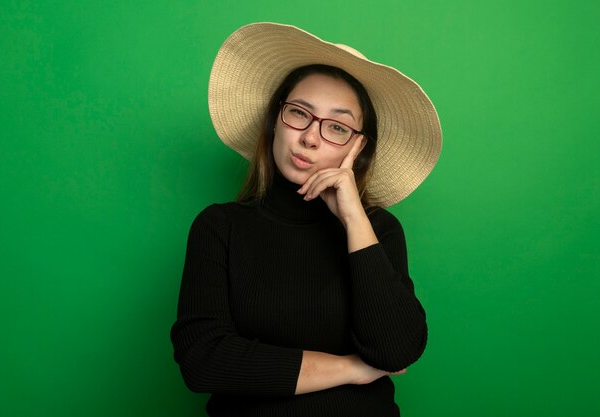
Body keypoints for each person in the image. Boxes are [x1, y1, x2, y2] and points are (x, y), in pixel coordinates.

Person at [170, 22, 442, 417]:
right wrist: (353, 368)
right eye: (299, 113)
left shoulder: (379, 231)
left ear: (358, 148)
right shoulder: (220, 227)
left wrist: (353, 219)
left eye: (337, 127)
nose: (310, 138)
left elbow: (396, 349)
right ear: (275, 121)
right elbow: (203, 361)